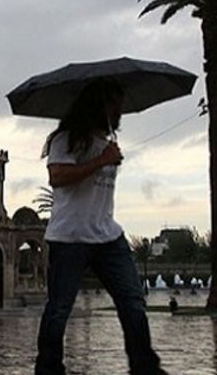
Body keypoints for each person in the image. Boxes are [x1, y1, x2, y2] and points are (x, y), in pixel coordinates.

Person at [35, 82, 166, 375]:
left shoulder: (107, 143)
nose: (118, 111)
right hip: (70, 237)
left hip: (107, 235)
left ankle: (144, 366)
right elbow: (57, 176)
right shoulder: (65, 139)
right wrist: (101, 160)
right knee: (59, 308)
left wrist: (107, 156)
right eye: (113, 104)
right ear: (96, 105)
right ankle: (48, 368)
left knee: (132, 301)